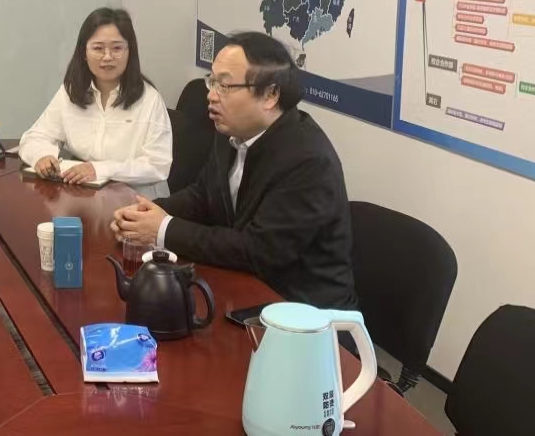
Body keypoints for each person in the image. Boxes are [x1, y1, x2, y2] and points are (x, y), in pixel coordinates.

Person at [112, 32, 357, 309]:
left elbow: (259, 251)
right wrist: (144, 215)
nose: (211, 95)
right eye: (212, 81)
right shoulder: (232, 131)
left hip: (302, 313)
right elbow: (204, 195)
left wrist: (163, 229)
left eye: (225, 86)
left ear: (270, 95)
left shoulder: (308, 161)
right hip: (244, 291)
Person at [19, 7, 172, 199]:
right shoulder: (71, 92)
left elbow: (157, 165)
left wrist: (100, 169)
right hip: (83, 196)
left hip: (136, 201)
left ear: (129, 52)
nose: (107, 57)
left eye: (117, 48)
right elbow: (34, 137)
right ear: (84, 52)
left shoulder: (149, 99)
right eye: (98, 48)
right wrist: (42, 156)